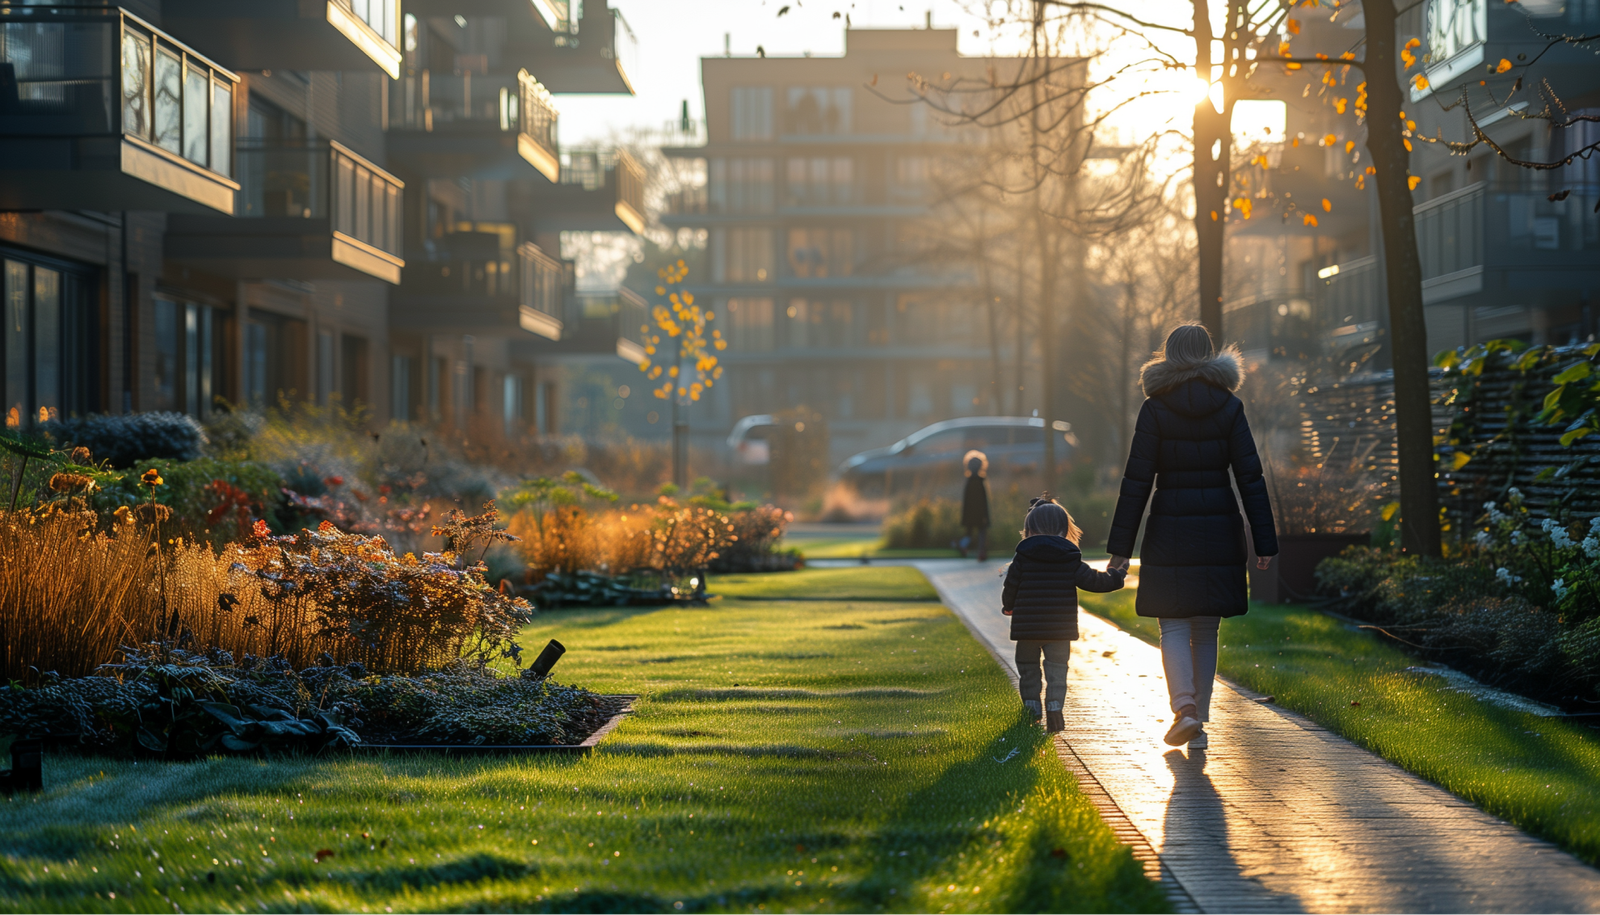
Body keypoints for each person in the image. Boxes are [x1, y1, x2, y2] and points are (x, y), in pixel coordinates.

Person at [1107, 324, 1278, 750]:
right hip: (1220, 526)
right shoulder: (1229, 406)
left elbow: (1136, 482)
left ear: (1169, 355)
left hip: (1170, 528)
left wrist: (1120, 552)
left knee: (1173, 625)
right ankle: (1197, 723)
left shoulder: (1155, 408)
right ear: (1208, 354)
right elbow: (1250, 477)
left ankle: (1185, 710)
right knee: (1206, 629)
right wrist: (1265, 541)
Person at [1002, 497, 1127, 732]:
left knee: (1028, 668)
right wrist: (1117, 575)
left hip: (1027, 629)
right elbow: (1094, 581)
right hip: (1059, 631)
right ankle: (1055, 708)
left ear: (1029, 529)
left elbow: (1011, 585)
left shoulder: (1022, 556)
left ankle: (1032, 709)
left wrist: (1008, 606)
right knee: (1057, 670)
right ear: (1063, 529)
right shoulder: (1069, 557)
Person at [959, 450, 990, 561]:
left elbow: (966, 502)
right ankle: (981, 552)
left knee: (969, 533)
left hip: (970, 514)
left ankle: (963, 547)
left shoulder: (969, 482)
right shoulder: (981, 482)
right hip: (980, 514)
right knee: (981, 533)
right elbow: (984, 502)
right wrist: (986, 516)